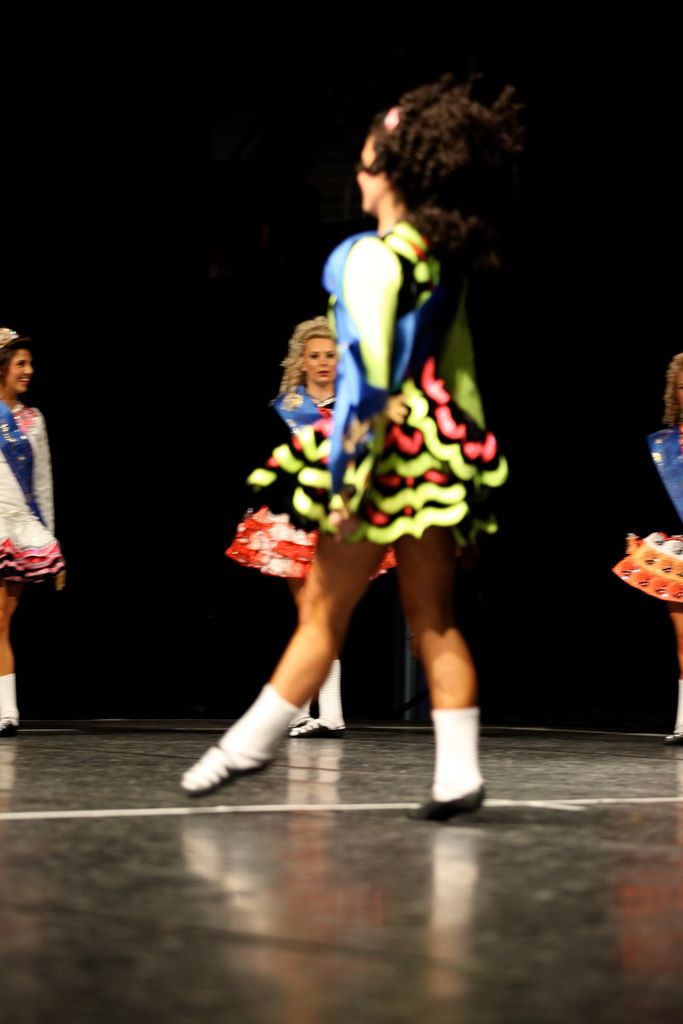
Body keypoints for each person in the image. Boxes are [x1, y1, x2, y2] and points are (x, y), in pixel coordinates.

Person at [182, 75, 522, 819]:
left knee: (323, 613)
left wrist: (348, 474)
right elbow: (461, 378)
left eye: (365, 160)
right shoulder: (442, 261)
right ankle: (457, 771)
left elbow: (368, 379)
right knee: (434, 620)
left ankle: (246, 744)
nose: (359, 174)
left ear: (388, 173)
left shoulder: (364, 258)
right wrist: (469, 479)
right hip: (438, 458)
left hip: (382, 456)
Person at [612, 352, 683, 745]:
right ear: (674, 393)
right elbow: (638, 495)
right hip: (678, 552)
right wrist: (633, 533)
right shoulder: (661, 445)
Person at [0, 328, 65, 738]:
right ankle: (6, 709)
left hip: (20, 528)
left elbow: (42, 483)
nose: (29, 370)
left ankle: (7, 711)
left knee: (3, 619)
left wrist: (49, 538)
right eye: (20, 364)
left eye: (30, 364)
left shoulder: (32, 420)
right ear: (2, 368)